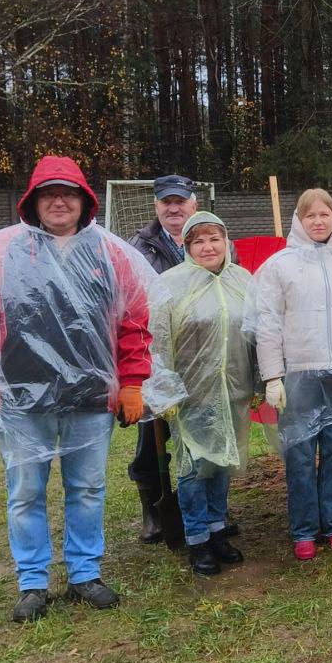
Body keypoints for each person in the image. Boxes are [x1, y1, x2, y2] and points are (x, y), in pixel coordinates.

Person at [0, 155, 154, 622]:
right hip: (21, 398)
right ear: (32, 202)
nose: (59, 201)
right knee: (25, 492)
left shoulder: (110, 253)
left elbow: (133, 321)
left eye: (68, 193)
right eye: (49, 193)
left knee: (87, 489)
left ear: (84, 201)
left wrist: (133, 382)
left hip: (90, 398)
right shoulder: (0, 252)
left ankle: (84, 573)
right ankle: (32, 582)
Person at [250, 189, 332, 560]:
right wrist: (273, 376)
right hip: (300, 373)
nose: (319, 221)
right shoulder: (281, 265)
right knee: (300, 452)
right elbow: (267, 323)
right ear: (299, 220)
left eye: (325, 214)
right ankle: (304, 529)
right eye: (310, 216)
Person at [143, 212, 255, 576]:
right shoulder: (170, 284)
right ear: (187, 247)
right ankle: (197, 538)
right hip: (190, 393)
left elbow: (256, 334)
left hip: (232, 388)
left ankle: (217, 528)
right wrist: (163, 392)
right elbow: (157, 340)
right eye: (198, 241)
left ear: (226, 242)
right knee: (192, 467)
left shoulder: (243, 281)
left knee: (221, 461)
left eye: (214, 239)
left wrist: (257, 381)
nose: (208, 247)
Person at [127, 174, 199, 542]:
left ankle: (203, 505)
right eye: (166, 202)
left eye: (179, 201)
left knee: (200, 430)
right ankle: (153, 506)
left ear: (193, 204)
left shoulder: (208, 237)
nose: (173, 208)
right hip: (153, 354)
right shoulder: (139, 249)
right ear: (156, 206)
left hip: (199, 351)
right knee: (150, 434)